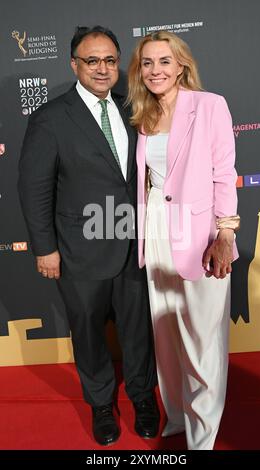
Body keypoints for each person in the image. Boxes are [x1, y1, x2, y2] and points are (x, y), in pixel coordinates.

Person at [18, 25, 159, 447]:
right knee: (88, 333)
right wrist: (46, 249)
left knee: (138, 329)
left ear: (119, 64)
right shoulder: (50, 118)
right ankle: (101, 403)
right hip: (79, 252)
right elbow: (34, 188)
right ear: (74, 64)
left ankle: (142, 397)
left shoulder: (131, 107)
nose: (102, 68)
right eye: (92, 60)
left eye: (110, 60)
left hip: (133, 244)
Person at [127, 31, 240, 450]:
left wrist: (224, 233)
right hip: (156, 227)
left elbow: (223, 173)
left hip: (199, 235)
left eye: (164, 61)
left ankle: (203, 435)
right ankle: (177, 415)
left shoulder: (209, 105)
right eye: (147, 63)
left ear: (182, 66)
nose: (155, 70)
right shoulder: (143, 114)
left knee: (202, 338)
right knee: (168, 333)